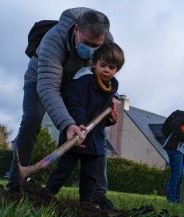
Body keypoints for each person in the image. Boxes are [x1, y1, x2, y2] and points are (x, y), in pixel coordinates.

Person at [7, 7, 118, 200]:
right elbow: (48, 88)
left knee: (95, 125)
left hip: (76, 84)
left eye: (96, 46)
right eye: (86, 43)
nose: (91, 50)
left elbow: (106, 72)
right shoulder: (53, 40)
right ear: (76, 29)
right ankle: (16, 182)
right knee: (32, 117)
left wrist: (110, 97)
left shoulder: (107, 42)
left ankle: (97, 194)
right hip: (41, 80)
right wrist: (67, 124)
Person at [45, 42, 124, 209]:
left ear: (117, 70)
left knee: (90, 176)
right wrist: (79, 124)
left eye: (112, 67)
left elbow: (103, 115)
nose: (106, 70)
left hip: (95, 139)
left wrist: (110, 119)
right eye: (102, 65)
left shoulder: (112, 87)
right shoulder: (83, 80)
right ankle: (46, 196)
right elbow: (75, 104)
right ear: (94, 62)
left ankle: (85, 206)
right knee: (63, 170)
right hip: (76, 135)